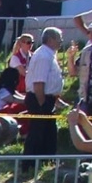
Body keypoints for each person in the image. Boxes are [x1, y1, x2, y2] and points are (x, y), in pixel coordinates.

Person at [24, 25, 65, 161]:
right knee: (37, 132)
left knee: (49, 132)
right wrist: (42, 104)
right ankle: (30, 163)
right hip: (39, 99)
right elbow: (39, 83)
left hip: (46, 99)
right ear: (51, 39)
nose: (61, 41)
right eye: (59, 38)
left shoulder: (49, 54)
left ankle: (46, 159)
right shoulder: (43, 56)